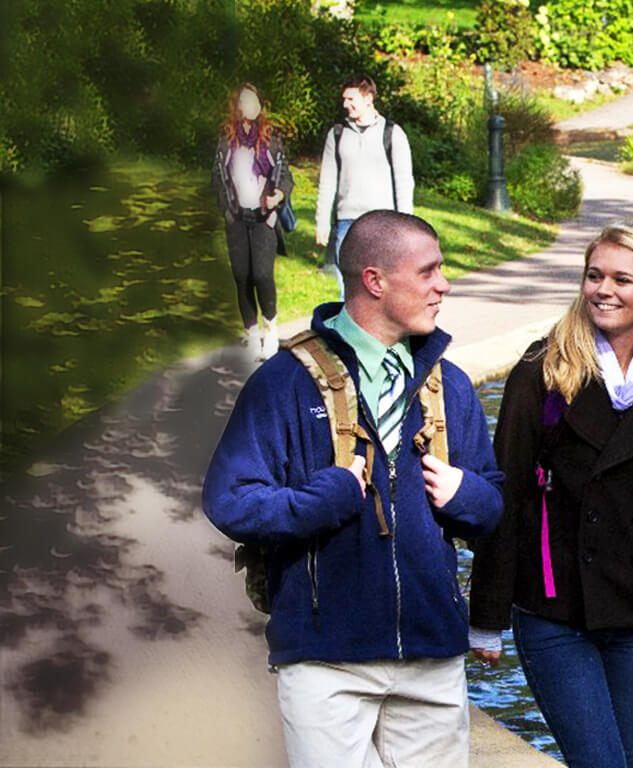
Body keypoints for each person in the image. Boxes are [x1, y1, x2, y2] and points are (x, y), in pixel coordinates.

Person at [202, 210, 505, 768]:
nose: (443, 285)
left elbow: (491, 505)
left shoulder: (450, 385)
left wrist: (467, 495)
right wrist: (325, 500)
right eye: (428, 271)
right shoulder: (284, 382)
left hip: (433, 654)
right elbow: (231, 500)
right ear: (374, 281)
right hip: (325, 659)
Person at [468, 221, 633, 768]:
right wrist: (487, 616)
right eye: (594, 276)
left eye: (621, 279)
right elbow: (508, 493)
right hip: (554, 608)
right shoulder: (542, 369)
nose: (603, 290)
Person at [212, 83, 293, 359]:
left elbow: (284, 174)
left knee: (261, 275)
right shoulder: (226, 138)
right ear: (237, 105)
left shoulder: (271, 137)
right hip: (236, 217)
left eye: (254, 101)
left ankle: (271, 329)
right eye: (245, 101)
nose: (250, 106)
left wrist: (278, 195)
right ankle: (252, 332)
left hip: (263, 217)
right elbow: (217, 176)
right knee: (242, 276)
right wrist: (226, 207)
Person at [316, 76, 414, 296]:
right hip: (346, 222)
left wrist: (407, 225)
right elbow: (327, 180)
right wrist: (322, 221)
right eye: (344, 99)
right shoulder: (337, 134)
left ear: (368, 98)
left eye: (351, 99)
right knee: (348, 289)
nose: (345, 104)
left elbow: (404, 182)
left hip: (383, 222)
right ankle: (348, 319)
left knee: (382, 286)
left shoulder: (393, 133)